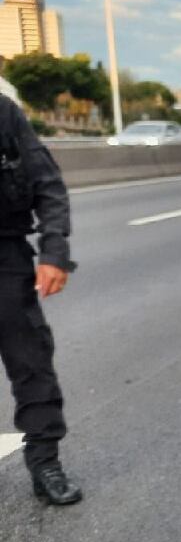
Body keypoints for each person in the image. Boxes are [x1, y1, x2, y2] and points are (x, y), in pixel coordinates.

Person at [0, 93, 82, 505]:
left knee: (31, 363)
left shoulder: (3, 113)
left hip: (5, 256)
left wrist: (54, 253)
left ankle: (45, 462)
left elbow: (47, 184)